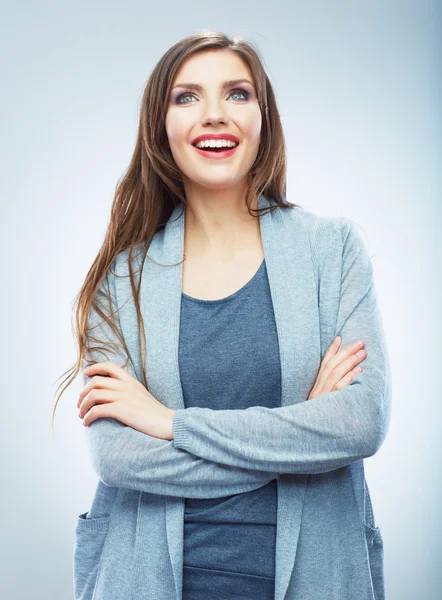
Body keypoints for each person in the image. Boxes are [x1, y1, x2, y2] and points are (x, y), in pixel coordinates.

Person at [55, 29, 391, 600]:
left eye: (237, 94)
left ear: (264, 118)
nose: (214, 114)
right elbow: (118, 458)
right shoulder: (122, 277)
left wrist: (171, 424)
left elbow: (359, 422)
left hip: (315, 577)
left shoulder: (330, 251)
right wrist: (303, 430)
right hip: (149, 580)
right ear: (162, 127)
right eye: (187, 97)